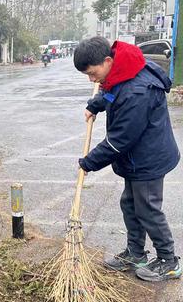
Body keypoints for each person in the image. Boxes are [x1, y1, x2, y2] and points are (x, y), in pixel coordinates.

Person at [74, 36, 181, 282]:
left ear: (108, 60)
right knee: (130, 205)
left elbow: (120, 140)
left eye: (92, 73)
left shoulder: (136, 91)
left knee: (147, 209)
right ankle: (136, 253)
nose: (92, 80)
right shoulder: (121, 72)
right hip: (137, 157)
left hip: (148, 159)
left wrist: (88, 162)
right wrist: (95, 104)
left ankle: (169, 260)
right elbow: (111, 93)